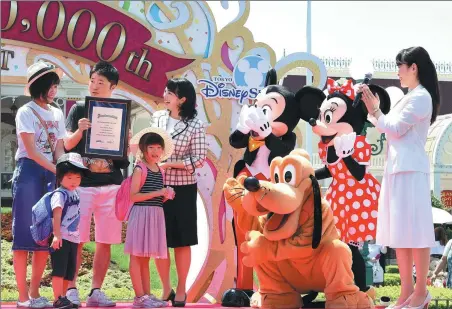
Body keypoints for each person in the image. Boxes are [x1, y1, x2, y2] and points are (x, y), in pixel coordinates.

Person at [359, 46, 440, 309]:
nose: (398, 73)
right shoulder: (409, 97)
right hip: (397, 170)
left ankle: (421, 292)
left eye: (400, 67)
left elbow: (393, 128)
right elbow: (388, 125)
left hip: (411, 171)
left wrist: (376, 111)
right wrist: (374, 111)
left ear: (413, 67)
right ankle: (405, 293)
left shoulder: (421, 97)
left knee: (416, 231)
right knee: (401, 232)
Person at [64, 61, 129, 306]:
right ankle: (71, 289)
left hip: (111, 185)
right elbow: (67, 146)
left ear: (112, 86)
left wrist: (124, 142)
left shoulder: (120, 111)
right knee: (76, 238)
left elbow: (122, 161)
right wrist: (80, 131)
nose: (94, 85)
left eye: (101, 82)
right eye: (92, 81)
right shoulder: (79, 109)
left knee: (105, 239)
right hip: (82, 185)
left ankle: (96, 291)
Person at [12, 61, 66, 308]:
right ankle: (22, 296)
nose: (54, 89)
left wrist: (65, 169)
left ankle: (34, 293)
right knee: (24, 234)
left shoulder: (57, 113)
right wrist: (57, 169)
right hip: (30, 174)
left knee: (43, 236)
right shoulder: (25, 111)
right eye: (50, 84)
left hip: (51, 175)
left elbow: (59, 147)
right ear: (38, 86)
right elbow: (31, 151)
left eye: (55, 84)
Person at [150, 78, 207, 307]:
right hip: (156, 186)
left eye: (170, 93)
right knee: (159, 240)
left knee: (183, 240)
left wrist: (170, 164)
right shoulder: (157, 118)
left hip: (183, 188)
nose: (165, 95)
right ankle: (166, 288)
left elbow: (200, 159)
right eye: (165, 91)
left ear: (182, 99)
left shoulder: (196, 124)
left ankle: (182, 288)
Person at [126, 128, 175, 308]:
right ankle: (139, 297)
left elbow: (154, 195)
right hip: (141, 214)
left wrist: (166, 194)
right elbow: (134, 196)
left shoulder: (159, 170)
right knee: (136, 257)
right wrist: (160, 191)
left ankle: (146, 295)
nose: (155, 151)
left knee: (145, 257)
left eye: (158, 147)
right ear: (143, 149)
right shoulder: (140, 168)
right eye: (151, 147)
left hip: (155, 214)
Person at [49, 153, 88, 308]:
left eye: (77, 178)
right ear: (60, 177)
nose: (74, 181)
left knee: (69, 271)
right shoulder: (59, 194)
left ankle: (64, 297)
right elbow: (56, 215)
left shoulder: (76, 193)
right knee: (59, 270)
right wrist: (56, 235)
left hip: (73, 238)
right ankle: (58, 298)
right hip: (61, 238)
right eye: (70, 177)